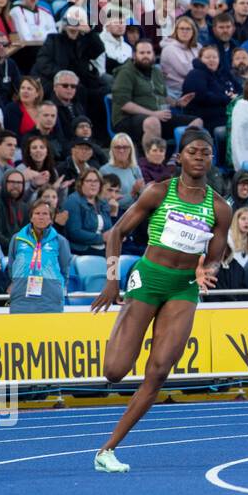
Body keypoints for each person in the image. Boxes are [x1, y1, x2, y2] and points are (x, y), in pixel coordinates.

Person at [89, 130, 233, 472]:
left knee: (158, 372)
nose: (200, 157)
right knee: (114, 371)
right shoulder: (158, 192)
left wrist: (206, 269)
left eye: (206, 153)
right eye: (193, 152)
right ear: (179, 158)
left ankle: (107, 450)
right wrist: (111, 280)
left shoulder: (219, 208)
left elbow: (215, 256)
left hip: (183, 288)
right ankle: (128, 331)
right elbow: (117, 234)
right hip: (148, 279)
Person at [6, 197, 71, 315]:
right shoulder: (17, 239)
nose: (41, 217)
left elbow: (65, 268)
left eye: (45, 214)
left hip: (51, 296)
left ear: (51, 219)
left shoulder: (60, 241)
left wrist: (57, 286)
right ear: (31, 217)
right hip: (22, 295)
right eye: (37, 213)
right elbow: (11, 266)